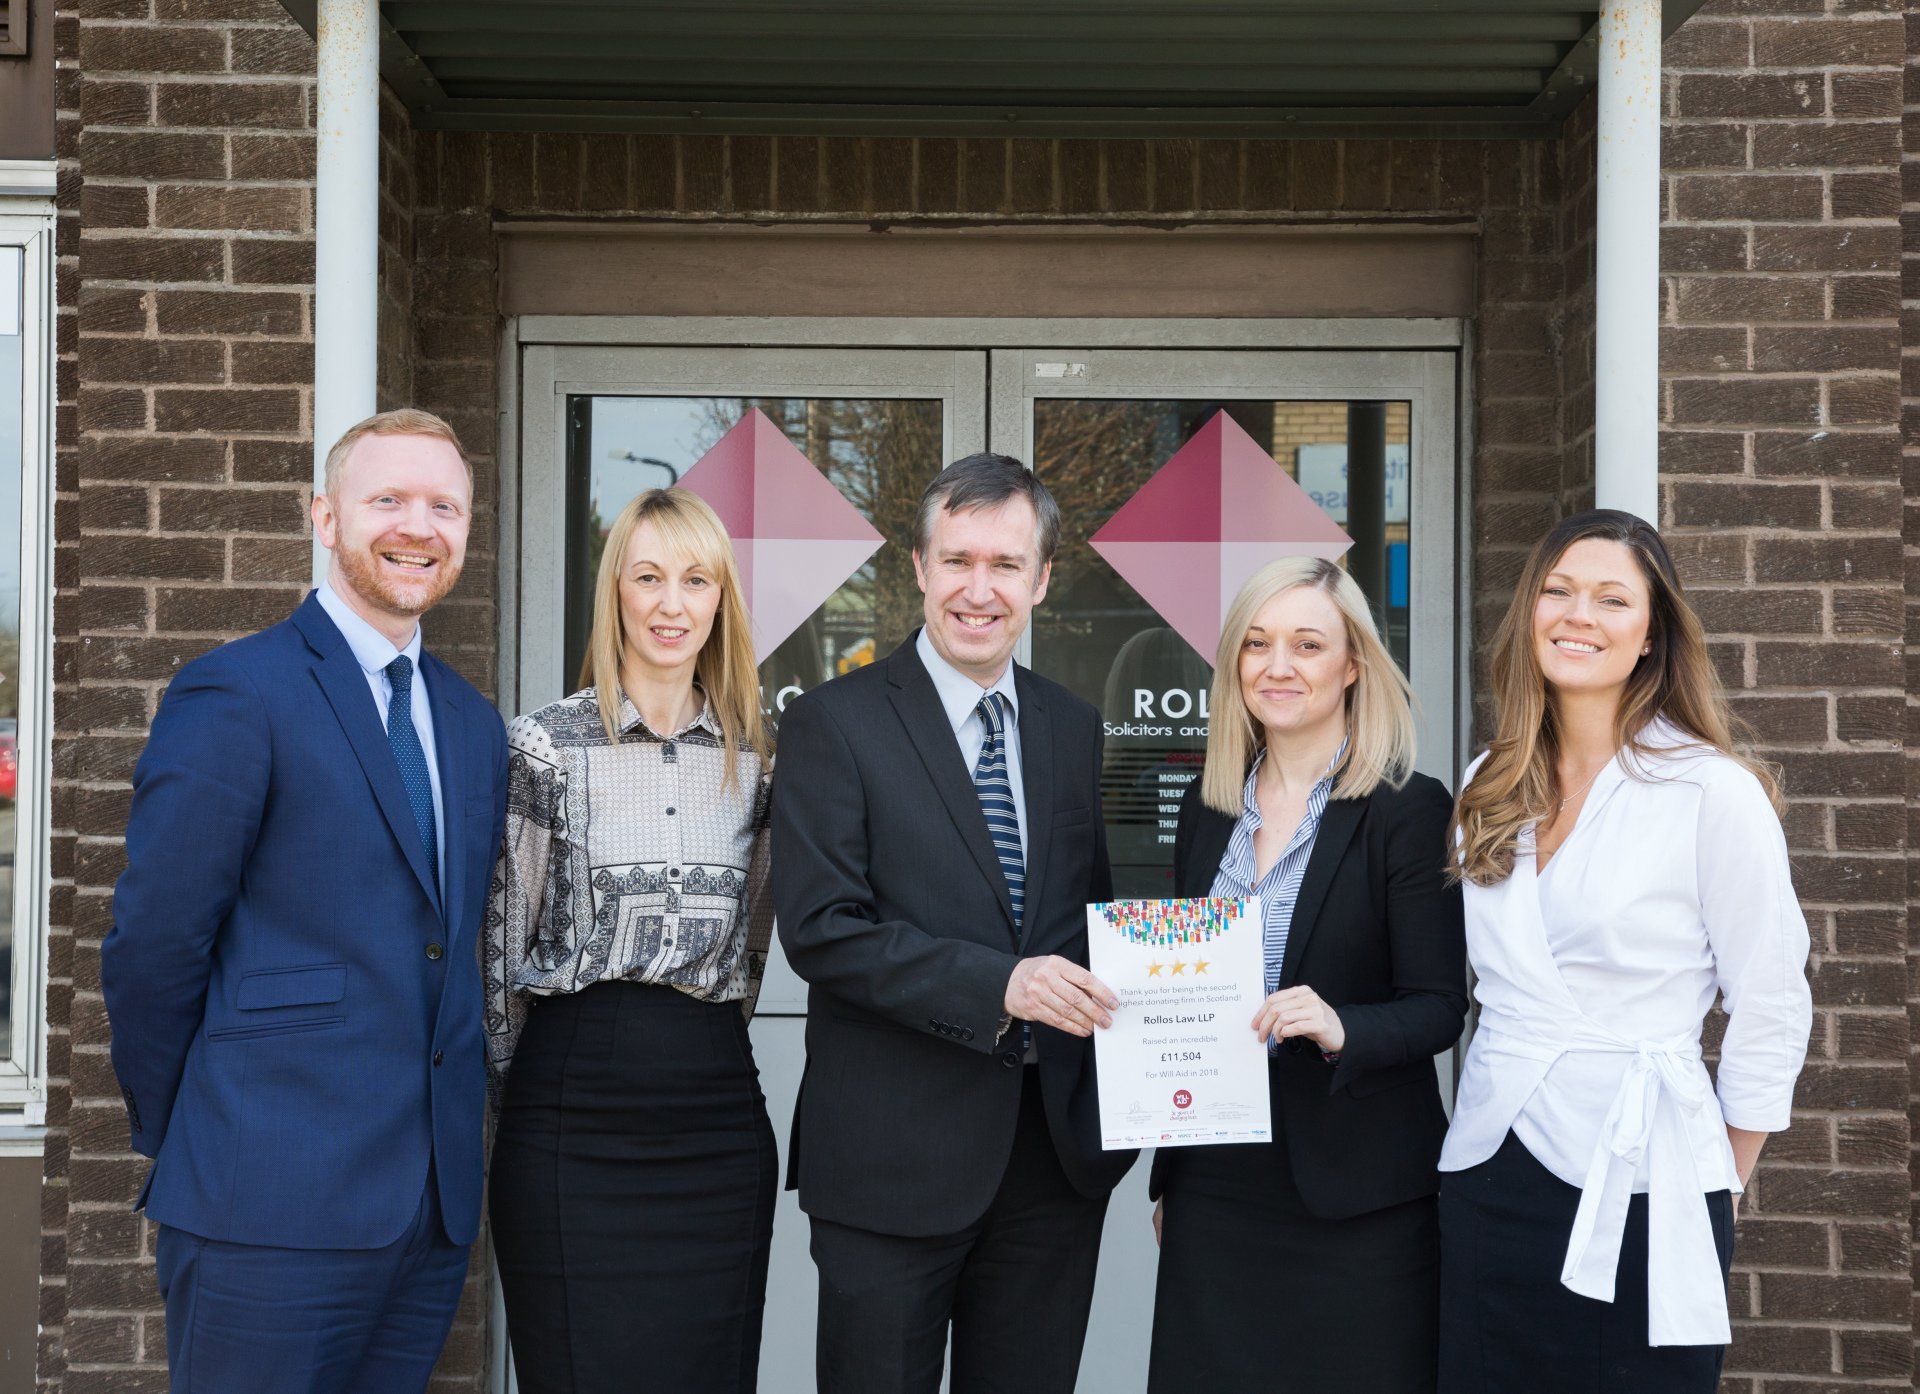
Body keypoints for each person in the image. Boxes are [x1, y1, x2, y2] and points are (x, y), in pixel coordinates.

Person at [101, 409, 508, 1394]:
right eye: (389, 500)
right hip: (263, 1205)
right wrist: (205, 1128)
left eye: (443, 505)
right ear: (325, 518)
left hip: (423, 1215)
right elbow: (152, 946)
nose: (419, 526)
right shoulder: (238, 692)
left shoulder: (469, 721)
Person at [771, 453, 1136, 1394]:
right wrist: (997, 985)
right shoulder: (832, 722)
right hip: (892, 1161)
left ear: (1043, 581)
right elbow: (821, 928)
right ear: (922, 569)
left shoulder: (1070, 725)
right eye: (960, 560)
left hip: (1049, 1164)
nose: (981, 589)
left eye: (1007, 565)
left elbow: (1088, 919)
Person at [1439, 509, 1813, 1393]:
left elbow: (1772, 998)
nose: (1579, 616)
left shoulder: (1709, 791)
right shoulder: (1485, 783)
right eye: (1559, 591)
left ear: (1651, 636)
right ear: (1529, 610)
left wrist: (1719, 1173)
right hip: (1491, 1165)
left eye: (1612, 599)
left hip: (1651, 1176)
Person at [1147, 556, 1466, 1394]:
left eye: (1307, 644)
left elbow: (1439, 1008)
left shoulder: (1407, 807)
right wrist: (1169, 1178)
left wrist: (1342, 1026)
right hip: (1217, 1187)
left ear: (1353, 663)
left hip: (1357, 1202)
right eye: (1256, 644)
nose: (1277, 666)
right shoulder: (1207, 808)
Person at [485, 487, 777, 1394]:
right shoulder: (541, 746)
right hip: (570, 1111)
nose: (670, 603)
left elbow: (755, 943)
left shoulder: (759, 757)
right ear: (616, 591)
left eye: (695, 580)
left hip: (716, 1113)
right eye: (647, 577)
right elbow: (500, 953)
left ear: (720, 599)